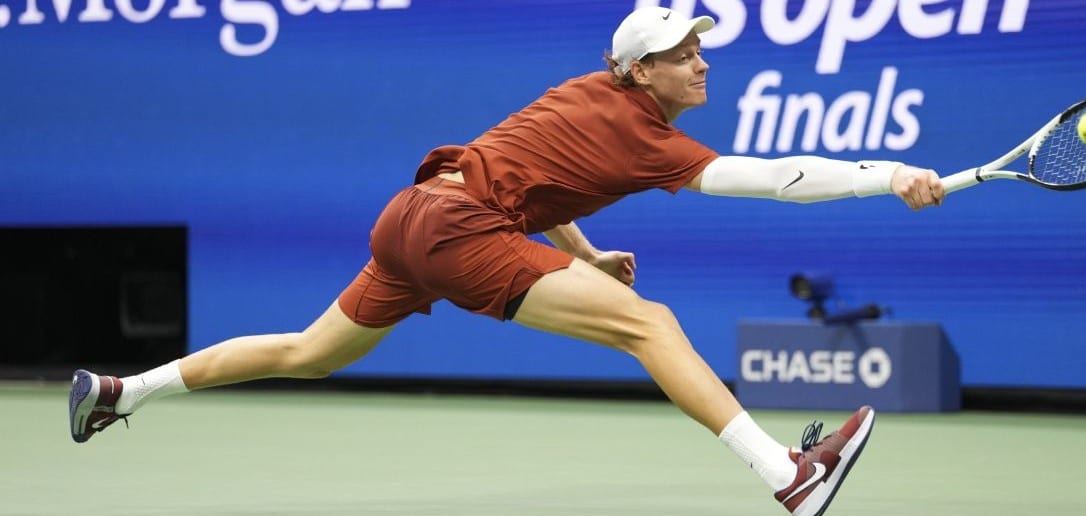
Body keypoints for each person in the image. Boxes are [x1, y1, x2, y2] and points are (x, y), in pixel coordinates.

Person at [68, 6, 943, 515]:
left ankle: (122, 391)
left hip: (410, 217)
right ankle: (789, 479)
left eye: (700, 49)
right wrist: (890, 174)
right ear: (642, 73)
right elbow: (780, 179)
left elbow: (532, 184)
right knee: (654, 326)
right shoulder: (646, 136)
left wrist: (587, 253)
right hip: (457, 232)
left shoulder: (582, 93)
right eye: (685, 55)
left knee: (307, 351)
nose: (702, 62)